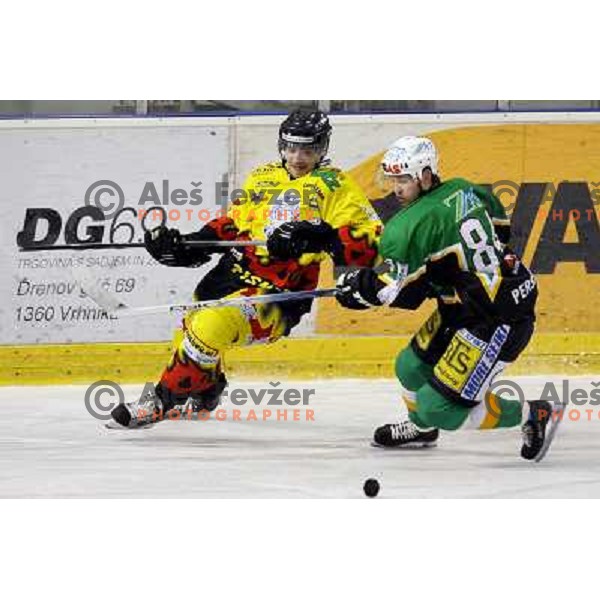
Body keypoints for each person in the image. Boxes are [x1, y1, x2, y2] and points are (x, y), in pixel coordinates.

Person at [110, 109, 382, 428]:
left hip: (280, 293)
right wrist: (188, 244)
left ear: (322, 148)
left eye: (307, 150)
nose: (297, 157)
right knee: (194, 328)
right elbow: (234, 225)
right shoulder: (263, 175)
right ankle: (207, 392)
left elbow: (369, 236)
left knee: (210, 325)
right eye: (291, 148)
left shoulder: (335, 185)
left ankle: (162, 400)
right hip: (230, 275)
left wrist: (320, 236)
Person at [335, 135, 551, 460]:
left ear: (424, 175)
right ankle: (421, 430)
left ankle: (534, 413)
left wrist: (363, 291)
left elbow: (399, 292)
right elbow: (501, 228)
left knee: (441, 410)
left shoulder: (407, 226)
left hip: (496, 318)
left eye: (404, 179)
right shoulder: (466, 187)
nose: (396, 187)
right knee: (409, 367)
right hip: (463, 303)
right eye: (393, 178)